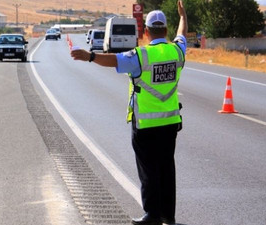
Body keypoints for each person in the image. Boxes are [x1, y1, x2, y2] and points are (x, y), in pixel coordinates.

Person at [70, 1, 187, 225]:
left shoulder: (141, 56)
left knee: (148, 170)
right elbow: (182, 34)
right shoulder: (177, 51)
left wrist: (90, 56)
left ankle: (152, 215)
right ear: (166, 30)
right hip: (171, 122)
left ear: (146, 31)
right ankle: (167, 216)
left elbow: (114, 60)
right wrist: (183, 16)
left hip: (145, 124)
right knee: (166, 169)